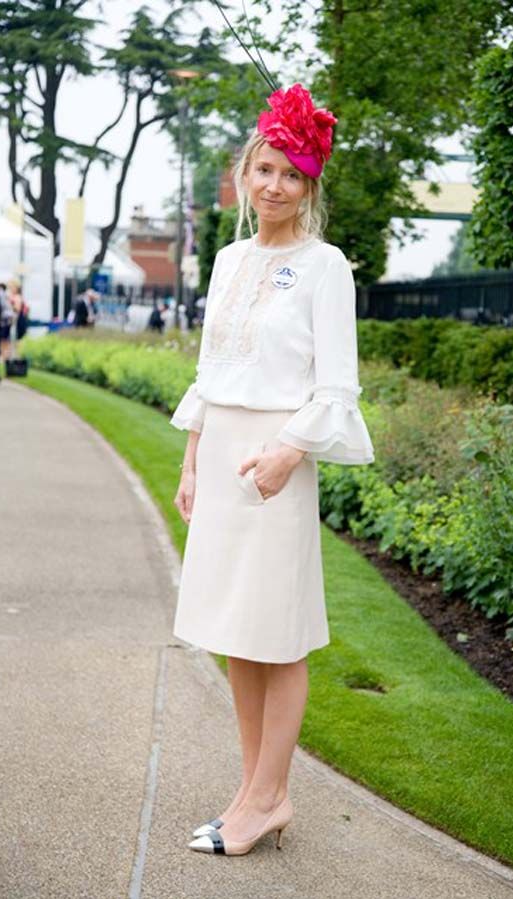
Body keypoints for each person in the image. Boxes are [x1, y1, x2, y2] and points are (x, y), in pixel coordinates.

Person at [169, 82, 375, 857]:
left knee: (277, 636)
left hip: (278, 461)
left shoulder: (326, 268)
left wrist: (290, 453)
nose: (274, 186)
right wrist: (193, 459)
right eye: (264, 169)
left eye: (291, 174)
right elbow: (212, 367)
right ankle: (255, 788)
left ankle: (268, 796)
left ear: (309, 184)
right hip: (220, 456)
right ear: (244, 174)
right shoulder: (226, 260)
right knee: (234, 631)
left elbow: (338, 388)